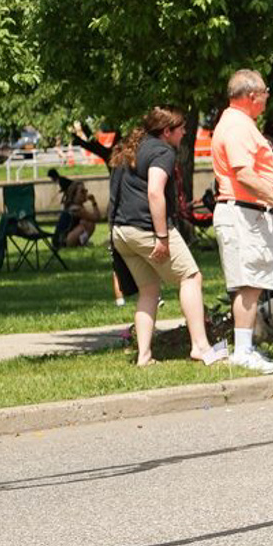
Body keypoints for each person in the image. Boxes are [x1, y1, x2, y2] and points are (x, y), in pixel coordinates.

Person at [108, 107, 227, 368]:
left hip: (122, 232)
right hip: (146, 229)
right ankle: (200, 346)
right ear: (166, 132)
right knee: (191, 277)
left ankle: (144, 356)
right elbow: (154, 193)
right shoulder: (163, 152)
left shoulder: (131, 148)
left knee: (149, 291)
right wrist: (162, 236)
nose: (185, 132)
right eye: (181, 128)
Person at [211, 69, 273, 374]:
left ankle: (246, 347)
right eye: (266, 91)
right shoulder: (237, 126)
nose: (268, 97)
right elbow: (245, 173)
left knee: (251, 284)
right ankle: (243, 351)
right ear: (252, 95)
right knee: (248, 284)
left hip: (250, 213)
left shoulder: (239, 123)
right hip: (244, 213)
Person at [71, 121, 140, 305]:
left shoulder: (118, 173)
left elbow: (99, 216)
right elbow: (95, 217)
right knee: (123, 263)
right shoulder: (126, 172)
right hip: (124, 221)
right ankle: (126, 297)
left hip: (118, 222)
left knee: (120, 262)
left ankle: (126, 297)